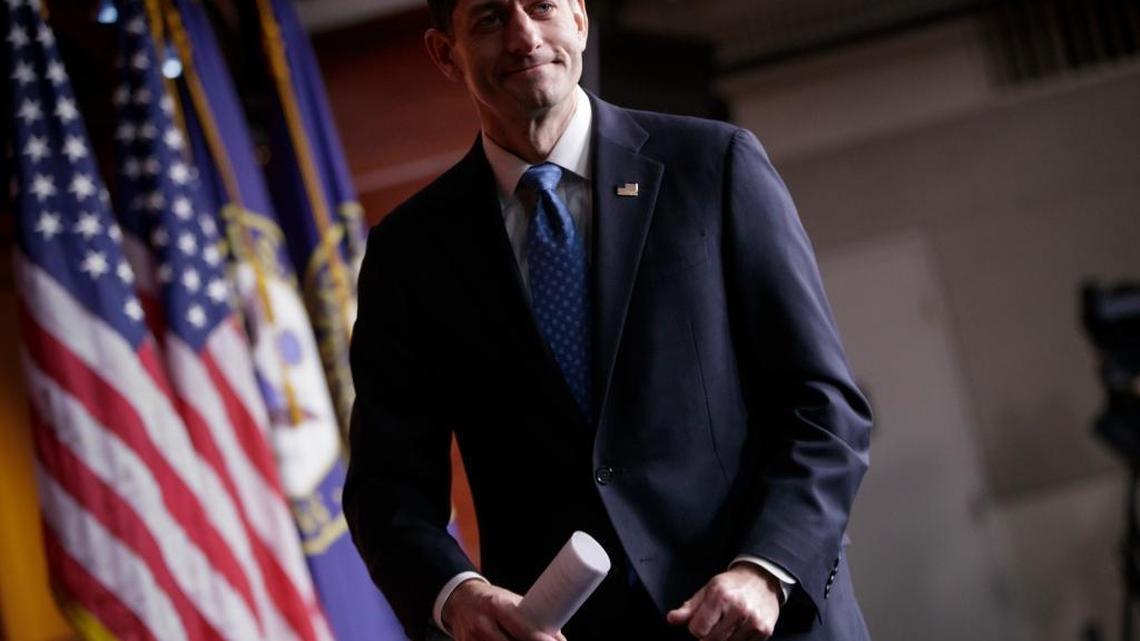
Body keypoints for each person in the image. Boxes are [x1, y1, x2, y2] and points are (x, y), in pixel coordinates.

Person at [344, 0, 873, 639]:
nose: (523, 37)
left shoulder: (713, 165)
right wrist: (458, 596)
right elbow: (387, 489)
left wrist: (765, 569)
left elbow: (824, 408)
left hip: (762, 621)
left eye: (541, 6)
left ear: (581, 19)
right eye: (488, 20)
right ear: (444, 55)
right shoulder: (410, 253)